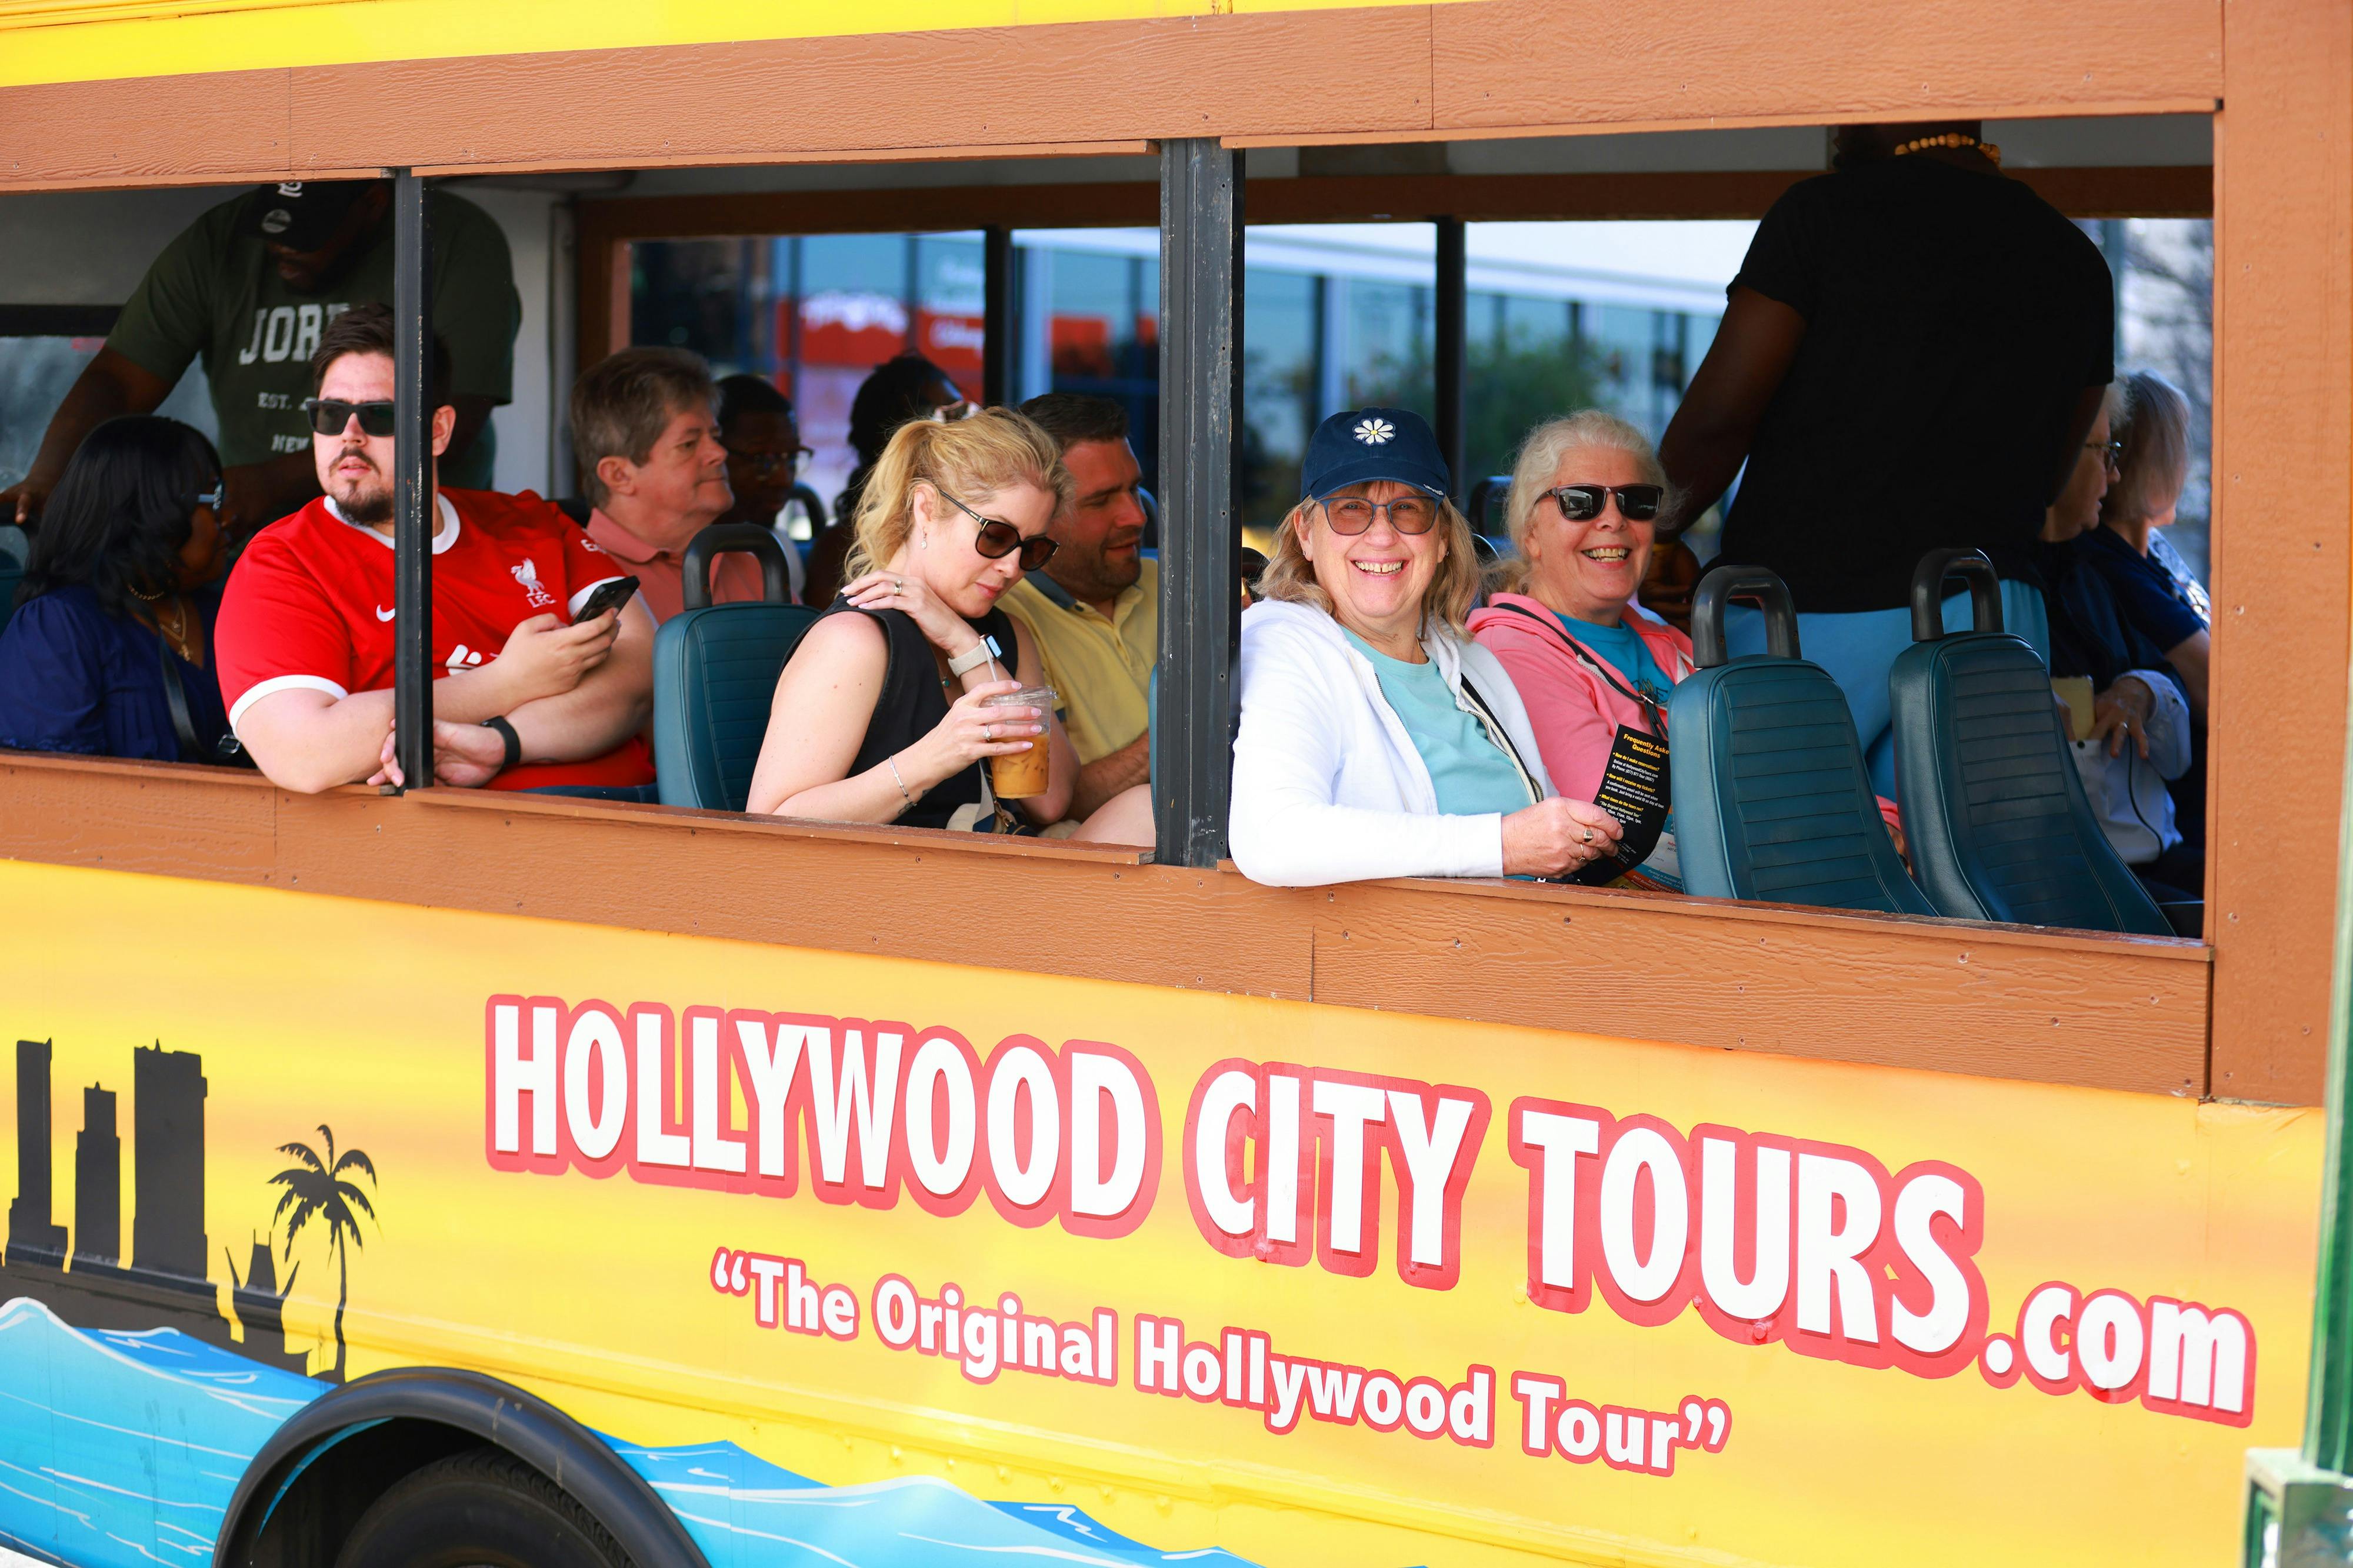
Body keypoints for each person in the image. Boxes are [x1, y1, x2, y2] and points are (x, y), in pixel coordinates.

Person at [1655, 119, 2112, 795]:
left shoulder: (1819, 216)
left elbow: (1719, 420)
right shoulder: (2076, 259)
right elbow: (2050, 474)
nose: (1836, 123)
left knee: (1792, 871)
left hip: (1808, 609)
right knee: (1963, 878)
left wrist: (1656, 530)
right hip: (1990, 610)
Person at [215, 305, 655, 796]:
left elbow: (639, 676)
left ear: (439, 430)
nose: (350, 435)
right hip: (459, 849)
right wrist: (505, 683)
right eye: (330, 414)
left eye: (380, 416)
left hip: (634, 819)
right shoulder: (283, 561)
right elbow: (304, 753)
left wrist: (501, 741)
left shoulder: (534, 522)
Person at [1228, 407, 1622, 888]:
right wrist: (1502, 845)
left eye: (1409, 509)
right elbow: (1275, 839)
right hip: (1406, 954)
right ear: (1306, 534)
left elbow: (1540, 823)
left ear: (1441, 540)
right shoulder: (1281, 643)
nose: (1381, 536)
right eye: (1350, 508)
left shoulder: (1472, 660)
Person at [3, 179, 521, 538]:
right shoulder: (217, 243)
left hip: (409, 537)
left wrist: (268, 483)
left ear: (372, 203)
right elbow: (120, 376)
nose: (283, 251)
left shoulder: (451, 239)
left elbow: (454, 418)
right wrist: (49, 475)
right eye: (272, 234)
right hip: (258, 534)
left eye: (307, 236)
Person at [750, 409, 1138, 838]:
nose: (1012, 568)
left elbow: (1048, 800)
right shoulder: (854, 640)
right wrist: (936, 756)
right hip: (894, 885)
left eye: (1033, 549)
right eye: (996, 536)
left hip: (999, 872)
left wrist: (965, 646)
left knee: (1147, 809)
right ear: (926, 508)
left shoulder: (1004, 634)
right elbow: (772, 825)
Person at [1467, 413, 1693, 890]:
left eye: (1636, 502)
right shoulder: (1508, 652)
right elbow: (1622, 833)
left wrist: (1879, 821)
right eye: (1580, 502)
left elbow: (1785, 759)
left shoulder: (1669, 642)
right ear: (1530, 534)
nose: (1613, 520)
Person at [2035, 386, 2201, 901]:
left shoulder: (2114, 569)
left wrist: (2145, 690)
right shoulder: (2100, 568)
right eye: (2107, 453)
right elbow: (2224, 693)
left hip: (2157, 838)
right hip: (2105, 867)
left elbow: (2167, 706)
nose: (2115, 473)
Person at [0, 417, 231, 762]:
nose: (225, 517)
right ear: (149, 512)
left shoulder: (224, 611)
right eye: (211, 497)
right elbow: (50, 795)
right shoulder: (60, 626)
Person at [999, 393, 1156, 820]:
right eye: (1101, 501)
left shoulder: (1180, 584)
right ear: (1040, 515)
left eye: (1134, 488)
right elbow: (1050, 804)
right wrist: (1189, 722)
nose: (1136, 516)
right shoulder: (1005, 624)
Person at [571, 349, 755, 625]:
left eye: (715, 436)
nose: (719, 452)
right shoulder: (576, 580)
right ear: (619, 475)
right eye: (688, 444)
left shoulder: (751, 562)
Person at [2078, 371, 2209, 719]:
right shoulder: (2113, 566)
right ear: (2152, 467)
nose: (2184, 469)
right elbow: (2218, 686)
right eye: (2179, 450)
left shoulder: (2151, 551)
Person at [802, 354, 968, 607]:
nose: (963, 430)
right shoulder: (839, 547)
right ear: (905, 435)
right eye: (950, 415)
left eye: (963, 413)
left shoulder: (965, 523)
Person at [711, 373, 811, 602]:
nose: (783, 479)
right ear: (714, 453)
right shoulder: (676, 552)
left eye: (791, 458)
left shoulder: (778, 550)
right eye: (761, 460)